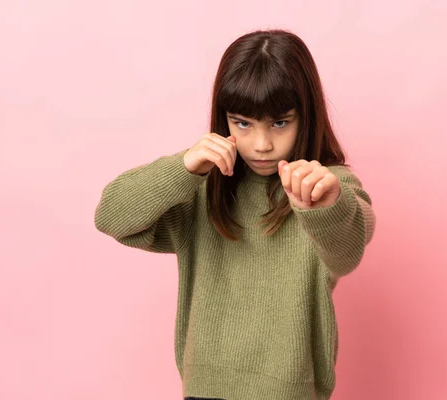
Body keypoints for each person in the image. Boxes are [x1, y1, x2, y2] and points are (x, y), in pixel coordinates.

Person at [94, 29, 376, 400]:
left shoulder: (327, 185)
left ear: (306, 116)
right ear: (223, 118)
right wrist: (183, 168)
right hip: (204, 391)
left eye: (279, 123)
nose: (261, 144)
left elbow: (348, 250)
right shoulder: (201, 186)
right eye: (242, 123)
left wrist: (325, 207)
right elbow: (111, 216)